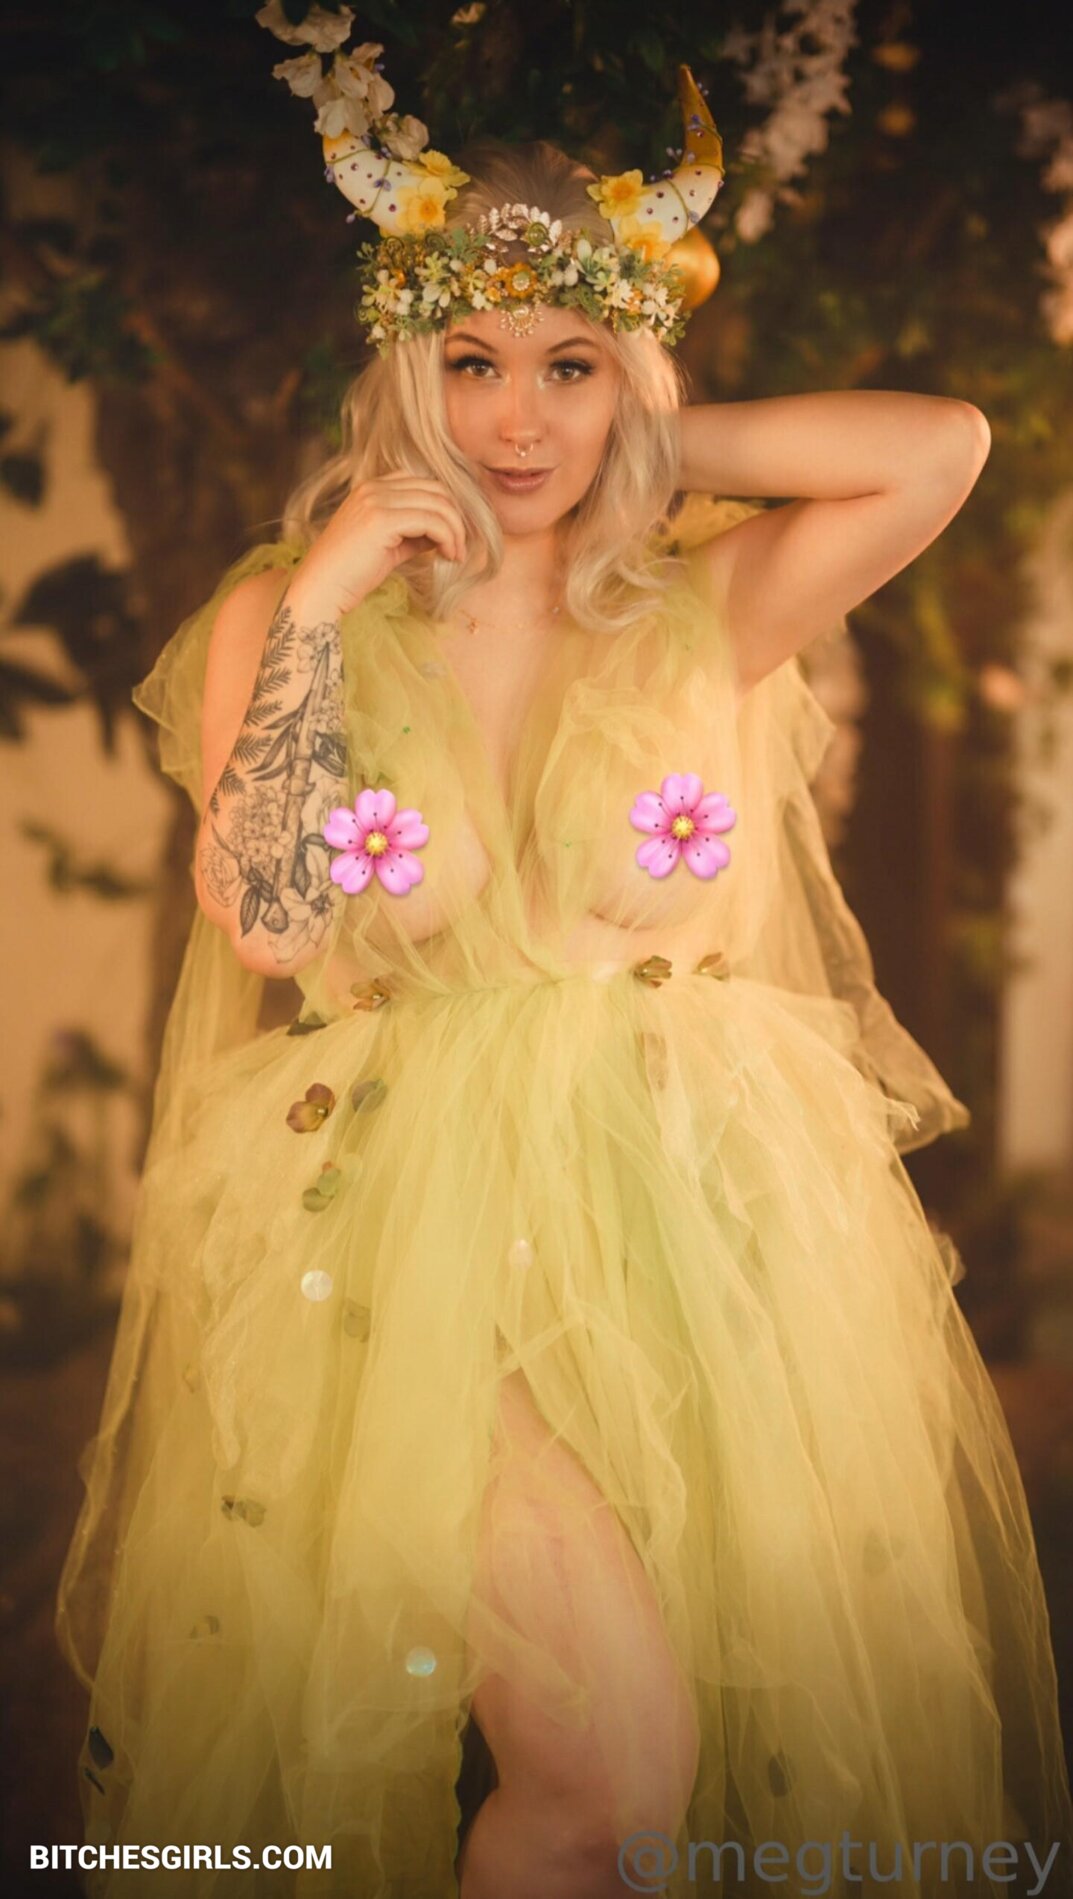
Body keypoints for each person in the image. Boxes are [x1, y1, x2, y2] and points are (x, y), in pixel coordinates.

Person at [54, 23, 1073, 1899]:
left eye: (567, 369)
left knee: (671, 1808)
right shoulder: (291, 615)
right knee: (608, 1769)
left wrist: (649, 434)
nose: (515, 423)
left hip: (682, 1216)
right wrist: (332, 591)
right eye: (471, 364)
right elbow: (267, 921)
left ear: (630, 380)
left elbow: (940, 448)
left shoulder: (699, 599)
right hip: (407, 1230)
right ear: (406, 372)